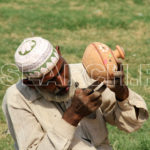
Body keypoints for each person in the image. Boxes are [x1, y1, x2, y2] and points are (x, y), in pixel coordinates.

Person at [2, 37, 148, 150]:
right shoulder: (17, 98)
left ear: (59, 53)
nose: (63, 82)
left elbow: (132, 125)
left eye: (61, 69)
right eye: (50, 81)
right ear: (31, 83)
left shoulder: (86, 73)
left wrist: (122, 93)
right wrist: (72, 116)